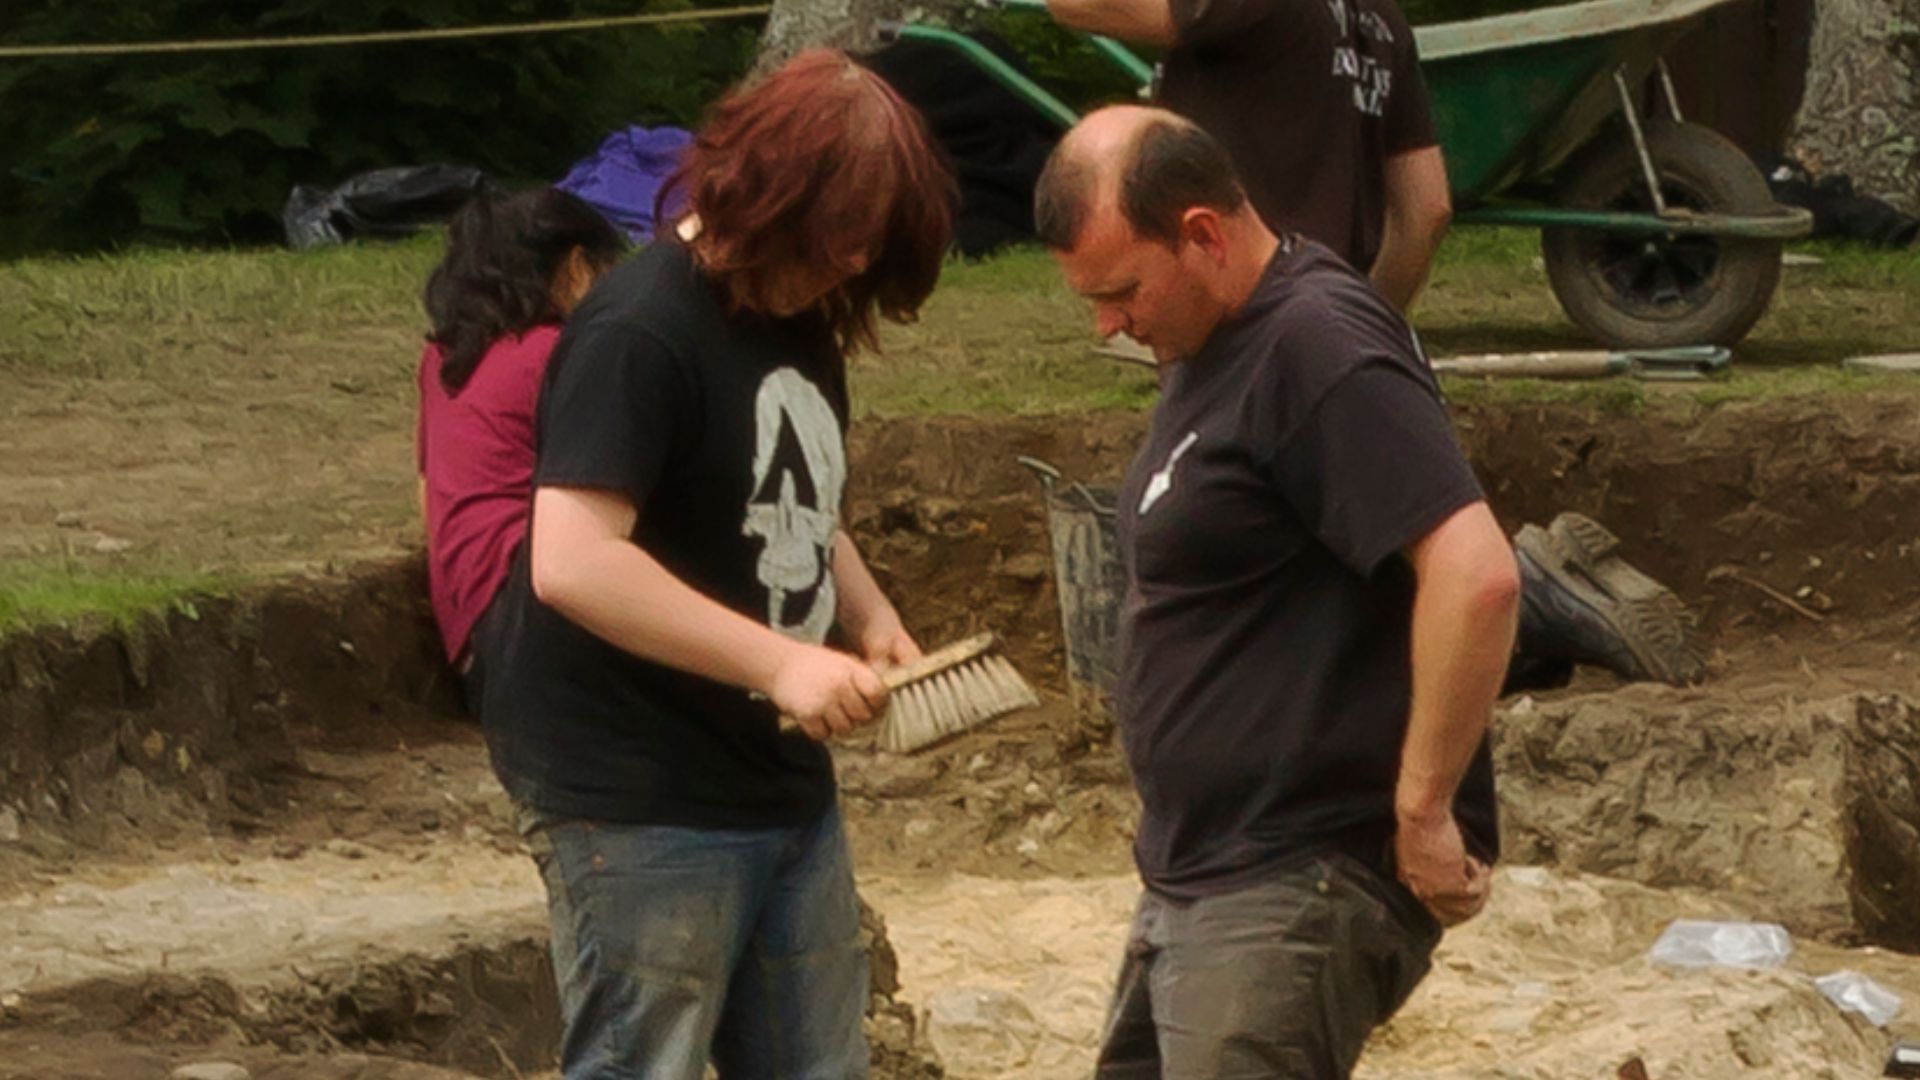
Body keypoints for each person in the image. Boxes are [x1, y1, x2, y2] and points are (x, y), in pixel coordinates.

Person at [475, 51, 957, 1079]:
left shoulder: (797, 321)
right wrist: (780, 663)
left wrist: (865, 617)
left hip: (772, 783)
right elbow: (572, 561)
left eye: (861, 261)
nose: (842, 278)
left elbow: (786, 488)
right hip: (635, 786)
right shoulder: (638, 331)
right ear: (763, 196)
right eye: (832, 250)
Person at [1036, 106, 1518, 1078]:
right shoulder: (1220, 336)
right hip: (1205, 874)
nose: (1107, 324)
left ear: (1203, 233)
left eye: (1122, 290)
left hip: (1292, 881)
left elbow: (1478, 576)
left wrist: (1423, 809)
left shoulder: (1316, 346)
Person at [1048, 0, 1704, 688]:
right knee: (1351, 564)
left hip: (1235, 318)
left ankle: (1535, 596)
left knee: (1270, 570)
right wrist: (1358, 328)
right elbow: (1426, 208)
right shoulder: (1378, 19)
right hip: (1321, 312)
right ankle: (1518, 615)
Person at [415, 185, 624, 699]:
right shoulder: (560, 354)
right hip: (542, 628)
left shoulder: (444, 356)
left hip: (474, 642)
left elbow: (426, 492)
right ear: (577, 268)